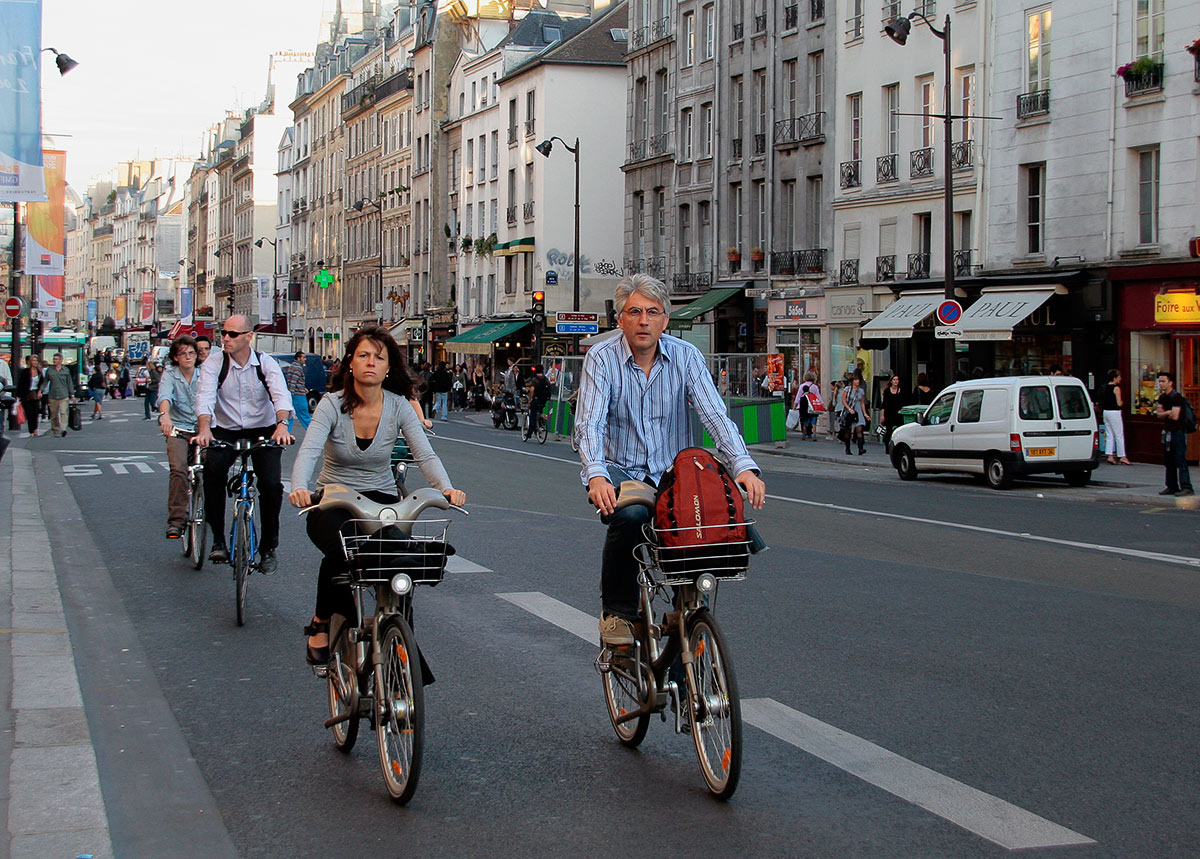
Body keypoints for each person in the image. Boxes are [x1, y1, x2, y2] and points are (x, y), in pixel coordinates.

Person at [575, 274, 765, 646]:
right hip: (621, 469)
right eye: (634, 312)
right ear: (620, 319)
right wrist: (597, 475)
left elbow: (714, 416)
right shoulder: (601, 357)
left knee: (707, 527)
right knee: (631, 517)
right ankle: (618, 614)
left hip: (672, 473)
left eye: (652, 312)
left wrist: (742, 465)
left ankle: (689, 620)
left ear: (665, 320)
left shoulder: (686, 356)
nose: (643, 320)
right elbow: (590, 423)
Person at [289, 328, 466, 664]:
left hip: (382, 499)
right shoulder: (331, 404)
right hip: (335, 499)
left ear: (388, 368)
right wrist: (300, 487)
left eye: (379, 357)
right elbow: (310, 449)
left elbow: (425, 454)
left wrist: (446, 488)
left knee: (401, 562)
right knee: (343, 552)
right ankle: (322, 620)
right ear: (351, 364)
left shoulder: (399, 405)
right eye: (363, 355)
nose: (371, 362)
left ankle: (401, 648)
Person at [194, 315, 294, 573]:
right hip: (224, 430)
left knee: (271, 484)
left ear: (249, 336)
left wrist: (282, 425)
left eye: (232, 334)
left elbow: (280, 396)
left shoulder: (265, 363)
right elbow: (205, 396)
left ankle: (269, 547)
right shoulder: (214, 363)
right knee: (212, 471)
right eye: (223, 333)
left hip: (263, 429)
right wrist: (205, 428)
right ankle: (218, 538)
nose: (225, 338)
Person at [157, 337, 202, 539]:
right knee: (178, 469)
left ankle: (208, 510)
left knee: (213, 469)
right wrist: (165, 416)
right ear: (175, 357)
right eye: (183, 353)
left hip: (203, 427)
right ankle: (176, 520)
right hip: (178, 426)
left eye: (191, 353)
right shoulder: (170, 374)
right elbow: (165, 396)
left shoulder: (205, 374)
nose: (187, 357)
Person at [1154, 370, 1193, 497]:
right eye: (1159, 381)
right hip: (1167, 432)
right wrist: (1167, 412)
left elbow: (1175, 416)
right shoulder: (1162, 397)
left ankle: (1186, 487)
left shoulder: (1177, 397)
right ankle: (1171, 486)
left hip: (1178, 431)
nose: (1161, 384)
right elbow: (1159, 415)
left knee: (1180, 460)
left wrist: (1165, 413)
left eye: (1163, 381)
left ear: (1170, 383)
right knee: (1168, 460)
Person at [41, 352, 76, 438]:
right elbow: (45, 381)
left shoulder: (66, 370)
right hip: (53, 395)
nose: (54, 361)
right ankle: (55, 429)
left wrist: (72, 394)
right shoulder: (50, 370)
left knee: (63, 412)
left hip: (63, 395)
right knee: (54, 414)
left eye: (56, 359)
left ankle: (63, 428)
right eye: (54, 359)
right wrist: (41, 390)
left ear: (61, 360)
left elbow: (69, 383)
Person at [1101, 369, 1130, 466]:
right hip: (1114, 412)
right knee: (1119, 435)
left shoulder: (1105, 387)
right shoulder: (1116, 388)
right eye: (1119, 377)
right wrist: (1122, 403)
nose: (1120, 379)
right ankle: (1122, 456)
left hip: (1106, 412)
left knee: (1109, 434)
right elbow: (1119, 403)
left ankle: (1110, 456)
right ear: (1114, 378)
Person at [840, 370, 868, 455]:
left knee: (859, 429)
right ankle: (847, 449)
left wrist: (865, 413)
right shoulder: (847, 389)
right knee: (848, 431)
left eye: (858, 380)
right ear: (852, 381)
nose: (857, 381)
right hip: (849, 411)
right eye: (855, 380)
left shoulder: (861, 391)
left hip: (858, 411)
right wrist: (849, 408)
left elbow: (862, 402)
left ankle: (860, 449)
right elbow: (843, 400)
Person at [15, 355, 43, 438]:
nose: (35, 362)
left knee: (35, 413)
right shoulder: (25, 372)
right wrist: (18, 396)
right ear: (30, 362)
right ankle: (31, 430)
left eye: (36, 361)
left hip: (35, 394)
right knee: (29, 413)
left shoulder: (39, 372)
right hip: (26, 395)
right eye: (33, 360)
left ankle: (35, 429)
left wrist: (40, 391)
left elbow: (42, 383)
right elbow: (21, 384)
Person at [284, 350, 312, 431]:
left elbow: (292, 381)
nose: (305, 359)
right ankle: (313, 431)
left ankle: (286, 432)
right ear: (299, 358)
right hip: (298, 395)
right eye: (303, 357)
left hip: (294, 393)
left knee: (290, 415)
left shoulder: (292, 366)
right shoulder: (298, 368)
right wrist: (292, 393)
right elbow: (293, 381)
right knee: (305, 415)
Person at [879, 373, 908, 447]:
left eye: (897, 380)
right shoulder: (887, 391)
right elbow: (884, 404)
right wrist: (882, 415)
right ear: (891, 381)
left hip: (898, 413)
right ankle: (887, 446)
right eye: (894, 380)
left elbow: (904, 403)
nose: (895, 381)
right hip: (889, 413)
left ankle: (897, 445)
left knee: (899, 430)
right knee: (888, 431)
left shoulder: (902, 391)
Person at [524, 365, 551, 440]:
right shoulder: (546, 379)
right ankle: (541, 425)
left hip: (536, 399)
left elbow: (532, 390)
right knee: (540, 411)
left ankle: (530, 432)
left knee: (533, 415)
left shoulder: (535, 380)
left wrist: (530, 399)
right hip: (544, 400)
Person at [793, 371, 821, 441]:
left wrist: (795, 405)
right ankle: (810, 432)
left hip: (803, 406)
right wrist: (821, 405)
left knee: (804, 420)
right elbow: (818, 397)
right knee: (812, 419)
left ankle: (804, 433)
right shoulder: (815, 387)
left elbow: (798, 397)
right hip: (812, 406)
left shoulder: (802, 386)